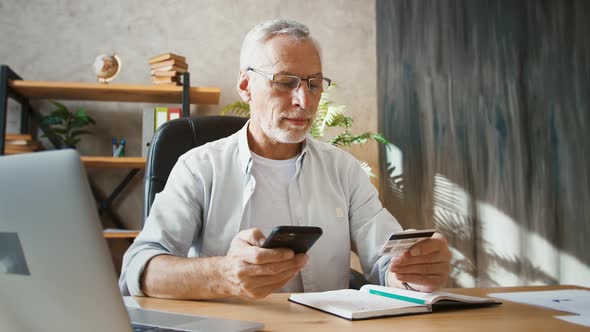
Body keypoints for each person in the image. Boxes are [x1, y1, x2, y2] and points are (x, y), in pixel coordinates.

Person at [119, 19, 451, 300]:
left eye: (314, 84)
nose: (304, 100)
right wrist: (224, 274)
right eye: (285, 82)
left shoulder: (343, 170)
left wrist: (413, 273)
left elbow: (385, 266)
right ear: (246, 86)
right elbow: (139, 269)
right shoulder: (199, 167)